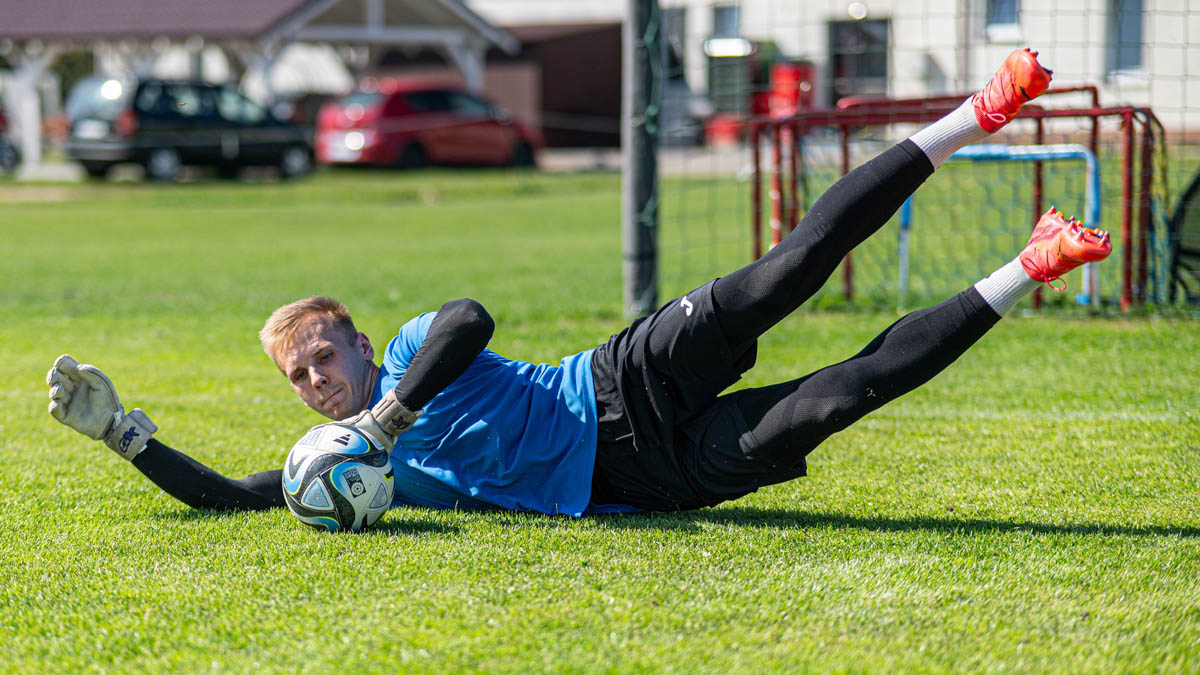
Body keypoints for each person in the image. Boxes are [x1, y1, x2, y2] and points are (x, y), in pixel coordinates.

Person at [45, 49, 1110, 518]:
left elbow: (471, 319)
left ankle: (976, 113)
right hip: (646, 480)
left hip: (616, 381)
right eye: (299, 376)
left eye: (324, 355)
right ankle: (1030, 262)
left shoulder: (408, 355)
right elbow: (236, 496)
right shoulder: (363, 469)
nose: (316, 379)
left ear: (360, 343)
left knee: (787, 271)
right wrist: (126, 438)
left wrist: (387, 413)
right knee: (835, 399)